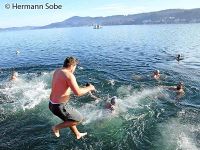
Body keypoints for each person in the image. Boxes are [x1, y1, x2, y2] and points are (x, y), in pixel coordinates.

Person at [49, 57, 96, 139]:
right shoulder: (69, 75)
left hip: (51, 104)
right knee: (78, 119)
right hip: (60, 106)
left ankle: (77, 134)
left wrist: (79, 88)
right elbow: (78, 93)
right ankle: (56, 128)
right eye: (75, 67)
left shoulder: (58, 71)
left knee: (69, 119)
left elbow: (62, 87)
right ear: (72, 66)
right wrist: (90, 88)